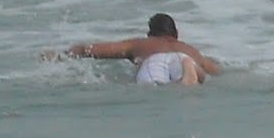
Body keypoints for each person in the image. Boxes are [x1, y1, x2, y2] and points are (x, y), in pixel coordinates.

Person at [55, 13, 221, 85]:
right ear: (176, 34)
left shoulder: (141, 45)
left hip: (154, 62)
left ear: (150, 34)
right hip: (186, 59)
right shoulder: (191, 50)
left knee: (155, 87)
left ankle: (185, 79)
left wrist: (61, 55)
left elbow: (89, 50)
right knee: (196, 76)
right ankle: (189, 74)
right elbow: (218, 72)